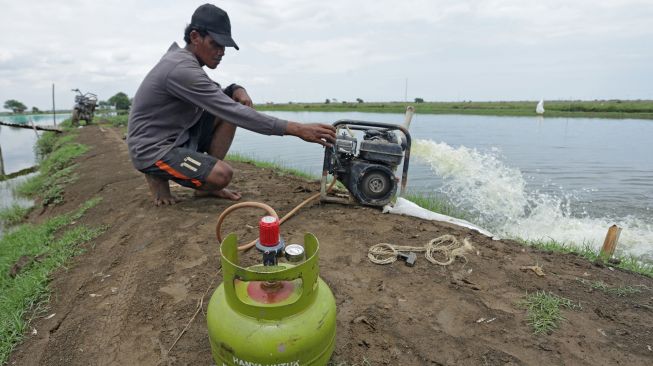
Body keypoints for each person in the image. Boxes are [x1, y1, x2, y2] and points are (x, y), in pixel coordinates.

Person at [127, 3, 336, 206]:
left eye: (224, 46)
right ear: (195, 37)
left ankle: (203, 184)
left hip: (175, 137)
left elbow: (221, 95)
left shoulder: (186, 62)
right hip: (152, 148)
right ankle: (157, 173)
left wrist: (237, 88)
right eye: (215, 44)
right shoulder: (181, 69)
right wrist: (298, 129)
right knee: (222, 175)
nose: (221, 52)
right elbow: (232, 111)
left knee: (231, 103)